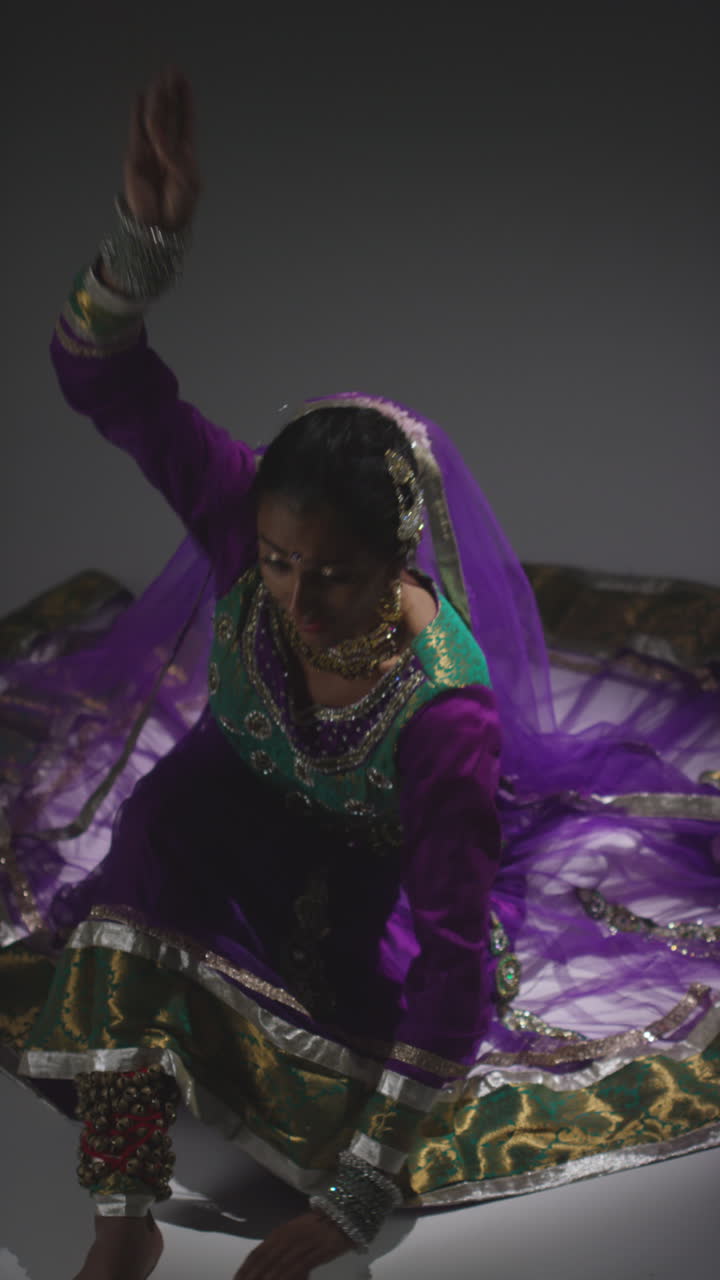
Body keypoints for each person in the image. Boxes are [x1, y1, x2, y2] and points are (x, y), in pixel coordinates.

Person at [1, 68, 719, 1280]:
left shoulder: (447, 717)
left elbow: (446, 967)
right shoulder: (245, 519)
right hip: (226, 799)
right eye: (278, 562)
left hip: (352, 879)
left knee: (341, 1036)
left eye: (331, 573)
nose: (293, 595)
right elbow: (101, 381)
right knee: (133, 888)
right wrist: (141, 245)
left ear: (399, 561)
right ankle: (120, 1212)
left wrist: (349, 1201)